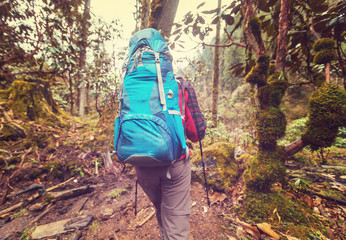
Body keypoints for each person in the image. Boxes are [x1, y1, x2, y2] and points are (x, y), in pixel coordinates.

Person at [135, 76, 206, 240]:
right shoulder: (181, 85)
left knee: (161, 206)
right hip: (175, 164)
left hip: (142, 164)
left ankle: (164, 234)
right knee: (175, 220)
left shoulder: (133, 83)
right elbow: (196, 133)